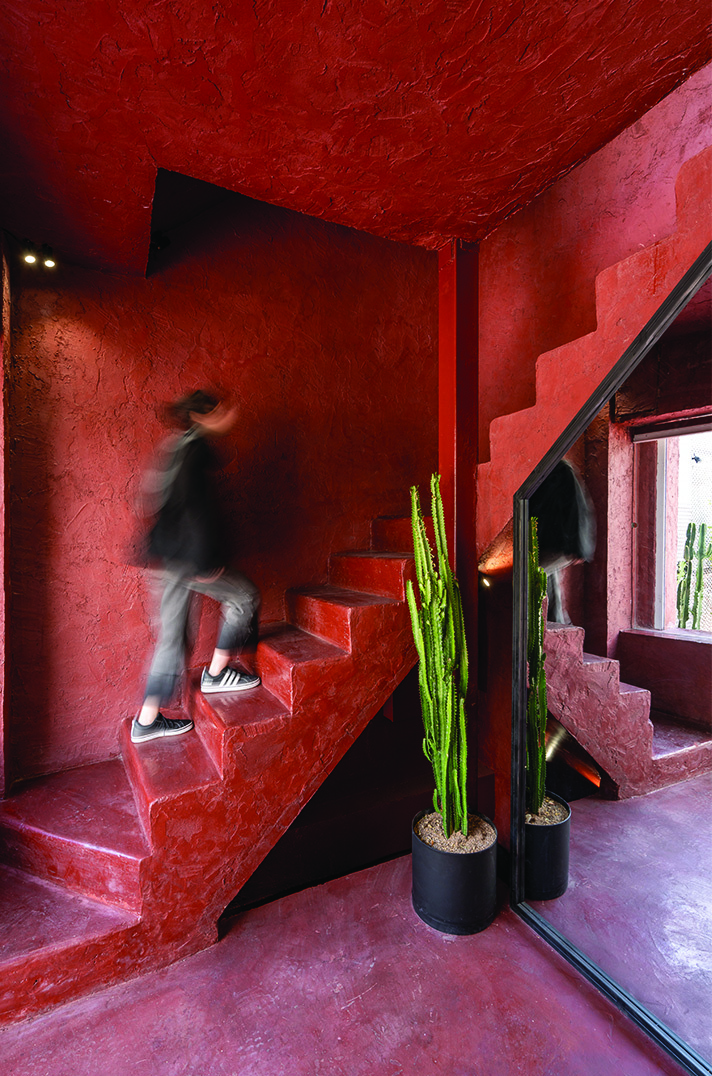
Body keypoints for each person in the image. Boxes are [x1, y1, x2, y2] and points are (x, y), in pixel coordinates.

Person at [132, 390, 261, 743]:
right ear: (203, 416)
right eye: (221, 410)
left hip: (166, 557)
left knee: (172, 640)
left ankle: (146, 721)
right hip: (189, 558)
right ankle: (218, 673)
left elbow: (157, 502)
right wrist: (206, 561)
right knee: (244, 596)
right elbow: (195, 509)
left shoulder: (176, 445)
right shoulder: (195, 449)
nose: (228, 415)